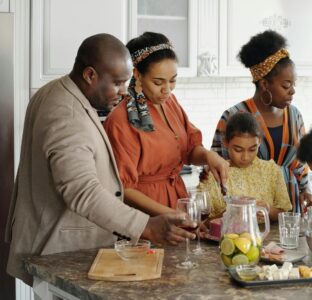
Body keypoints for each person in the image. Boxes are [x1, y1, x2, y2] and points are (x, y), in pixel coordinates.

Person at [5, 34, 198, 286]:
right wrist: (145, 226)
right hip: (59, 247)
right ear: (90, 75)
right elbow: (81, 191)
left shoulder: (54, 91)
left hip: (54, 241)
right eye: (117, 83)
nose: (122, 91)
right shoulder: (67, 115)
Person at [104, 32, 229, 215]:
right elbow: (124, 188)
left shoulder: (170, 103)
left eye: (173, 80)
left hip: (176, 201)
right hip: (145, 215)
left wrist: (209, 157)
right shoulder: (120, 120)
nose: (167, 90)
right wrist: (171, 216)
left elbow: (188, 150)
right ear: (137, 75)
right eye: (158, 82)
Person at [211, 30, 312, 213]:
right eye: (286, 85)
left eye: (294, 84)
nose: (292, 91)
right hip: (249, 212)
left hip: (290, 210)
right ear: (264, 84)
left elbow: (300, 164)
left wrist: (306, 190)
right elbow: (217, 167)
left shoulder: (295, 115)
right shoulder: (232, 116)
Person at [200, 112, 291, 221]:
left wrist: (268, 210)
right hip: (228, 238)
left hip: (267, 236)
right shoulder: (213, 175)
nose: (245, 157)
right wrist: (229, 213)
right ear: (225, 143)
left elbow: (285, 213)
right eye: (238, 150)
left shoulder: (272, 171)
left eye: (252, 149)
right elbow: (202, 224)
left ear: (260, 142)